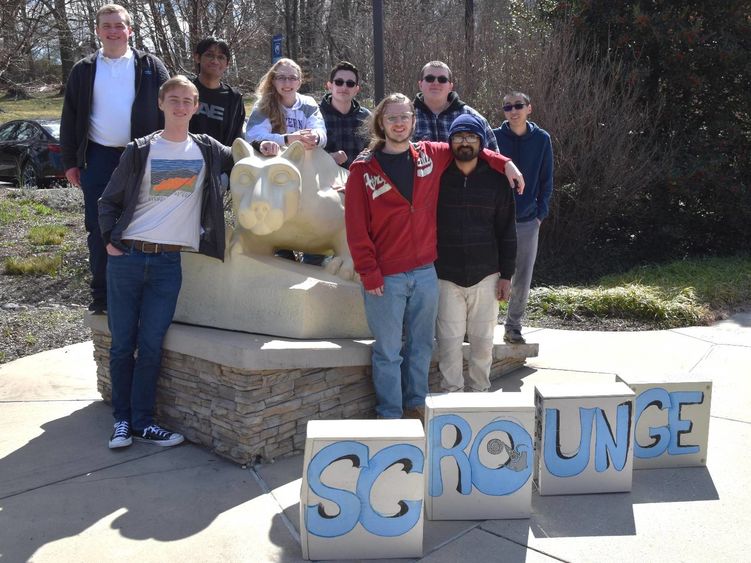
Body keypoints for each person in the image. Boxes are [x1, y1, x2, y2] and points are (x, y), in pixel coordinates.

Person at [345, 93, 522, 420]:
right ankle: (389, 413)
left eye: (405, 117)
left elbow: (472, 146)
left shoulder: (430, 154)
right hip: (386, 275)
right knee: (388, 351)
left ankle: (416, 405)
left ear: (414, 120)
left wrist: (505, 162)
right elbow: (356, 228)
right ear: (381, 123)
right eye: (392, 118)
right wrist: (369, 273)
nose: (399, 123)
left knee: (422, 347)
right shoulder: (363, 169)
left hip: (426, 273)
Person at [98, 76, 234, 449]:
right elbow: (108, 201)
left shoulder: (206, 149)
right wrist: (111, 242)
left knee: (152, 345)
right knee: (123, 344)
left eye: (188, 101)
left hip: (167, 265)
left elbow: (245, 153)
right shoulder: (140, 150)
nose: (180, 106)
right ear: (161, 104)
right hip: (127, 257)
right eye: (173, 100)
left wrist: (276, 143)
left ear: (195, 107)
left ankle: (143, 421)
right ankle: (122, 422)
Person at [60, 3, 169, 314]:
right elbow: (69, 117)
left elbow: (170, 108)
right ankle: (103, 297)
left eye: (119, 25)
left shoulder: (150, 65)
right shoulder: (83, 69)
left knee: (147, 225)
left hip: (144, 156)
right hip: (98, 158)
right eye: (106, 25)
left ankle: (142, 295)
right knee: (99, 227)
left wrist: (168, 153)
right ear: (97, 31)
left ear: (130, 30)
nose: (113, 30)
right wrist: (70, 161)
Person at [435, 114, 517, 393]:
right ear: (450, 142)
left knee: (483, 342)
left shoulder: (496, 181)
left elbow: (507, 231)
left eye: (471, 137)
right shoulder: (438, 178)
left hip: (486, 274)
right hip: (445, 275)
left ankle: (480, 391)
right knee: (449, 342)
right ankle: (451, 392)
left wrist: (506, 275)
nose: (465, 142)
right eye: (459, 137)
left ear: (481, 141)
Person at [493, 91, 554, 344]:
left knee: (522, 276)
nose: (513, 110)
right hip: (496, 220)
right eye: (508, 107)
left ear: (529, 108)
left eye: (518, 105)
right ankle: (482, 325)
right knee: (490, 274)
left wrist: (540, 214)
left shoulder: (542, 139)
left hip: (528, 219)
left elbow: (546, 179)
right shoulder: (494, 137)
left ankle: (513, 326)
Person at [245, 58, 327, 156]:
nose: (287, 83)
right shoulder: (263, 105)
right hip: (273, 162)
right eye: (281, 78)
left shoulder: (309, 103)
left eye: (292, 78)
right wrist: (286, 139)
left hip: (303, 161)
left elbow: (321, 132)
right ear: (273, 81)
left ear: (299, 82)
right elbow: (252, 136)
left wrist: (316, 137)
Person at [412, 60, 499, 152]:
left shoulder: (472, 117)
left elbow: (493, 156)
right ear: (420, 84)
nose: (436, 83)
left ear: (450, 86)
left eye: (442, 79)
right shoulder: (406, 116)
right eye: (430, 78)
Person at [189, 36, 246, 147]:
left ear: (227, 64)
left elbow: (236, 139)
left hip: (221, 161)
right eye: (209, 55)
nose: (215, 61)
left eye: (221, 57)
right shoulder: (184, 90)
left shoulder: (234, 98)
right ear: (197, 58)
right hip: (186, 160)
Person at [319, 61, 371, 169]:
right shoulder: (316, 114)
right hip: (323, 182)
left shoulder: (367, 118)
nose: (344, 87)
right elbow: (305, 154)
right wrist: (328, 158)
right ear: (329, 86)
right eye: (339, 82)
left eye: (350, 83)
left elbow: (377, 151)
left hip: (358, 181)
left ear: (356, 89)